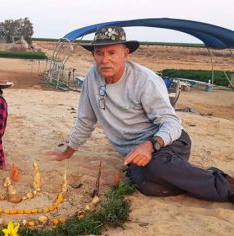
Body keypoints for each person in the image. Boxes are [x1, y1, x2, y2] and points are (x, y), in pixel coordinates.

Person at [49, 26, 234, 203]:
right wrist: (68, 152)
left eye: (111, 53)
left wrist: (150, 145)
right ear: (93, 55)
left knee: (156, 168)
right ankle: (200, 176)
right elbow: (86, 120)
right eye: (99, 53)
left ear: (125, 54)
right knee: (147, 187)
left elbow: (172, 123)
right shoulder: (92, 78)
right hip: (136, 154)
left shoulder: (145, 81)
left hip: (169, 142)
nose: (105, 60)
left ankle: (227, 188)